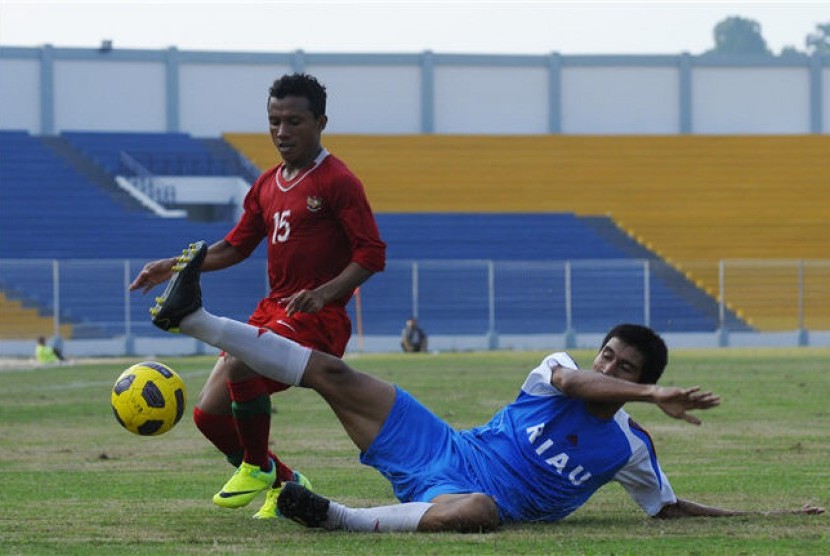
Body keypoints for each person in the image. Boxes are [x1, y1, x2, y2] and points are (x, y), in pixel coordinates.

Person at [149, 242, 824, 533]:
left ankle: (335, 517)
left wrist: (771, 519)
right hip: (441, 444)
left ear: (643, 382)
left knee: (481, 515)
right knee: (331, 371)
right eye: (608, 356)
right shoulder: (554, 371)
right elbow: (571, 377)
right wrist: (649, 396)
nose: (609, 370)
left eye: (626, 370)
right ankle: (194, 317)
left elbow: (668, 511)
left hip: (467, 496)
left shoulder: (630, 450)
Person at [129, 73, 386, 519]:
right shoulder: (266, 184)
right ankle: (286, 482)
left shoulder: (338, 181)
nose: (282, 132)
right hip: (273, 311)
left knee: (239, 360)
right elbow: (233, 247)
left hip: (317, 321)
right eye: (274, 121)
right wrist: (171, 265)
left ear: (320, 121)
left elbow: (371, 254)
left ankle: (253, 465)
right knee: (209, 416)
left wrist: (324, 294)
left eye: (294, 121)